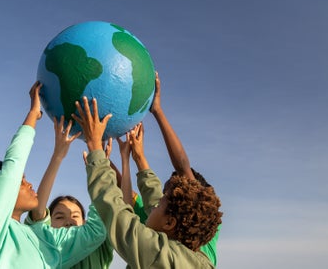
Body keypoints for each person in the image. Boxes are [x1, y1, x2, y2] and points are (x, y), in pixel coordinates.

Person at [0, 82, 107, 268]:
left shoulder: (40, 238)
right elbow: (12, 167)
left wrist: (98, 160)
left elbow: (95, 231)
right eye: (20, 182)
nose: (29, 185)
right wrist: (33, 115)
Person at [72, 96, 223, 268]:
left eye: (160, 204)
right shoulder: (187, 249)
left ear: (169, 223)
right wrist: (139, 158)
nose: (154, 205)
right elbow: (154, 198)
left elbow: (116, 215)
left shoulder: (162, 256)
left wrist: (95, 150)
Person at [111, 72, 222, 266]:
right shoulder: (159, 215)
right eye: (165, 193)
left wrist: (158, 111)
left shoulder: (199, 224)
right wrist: (127, 158)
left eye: (166, 194)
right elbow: (130, 195)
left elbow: (182, 167)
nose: (161, 197)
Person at [22, 114, 114, 269]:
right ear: (49, 224)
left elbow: (105, 209)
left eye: (75, 216)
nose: (69, 221)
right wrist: (57, 157)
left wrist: (100, 167)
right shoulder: (50, 249)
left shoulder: (99, 243)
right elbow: (38, 213)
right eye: (59, 216)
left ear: (85, 222)